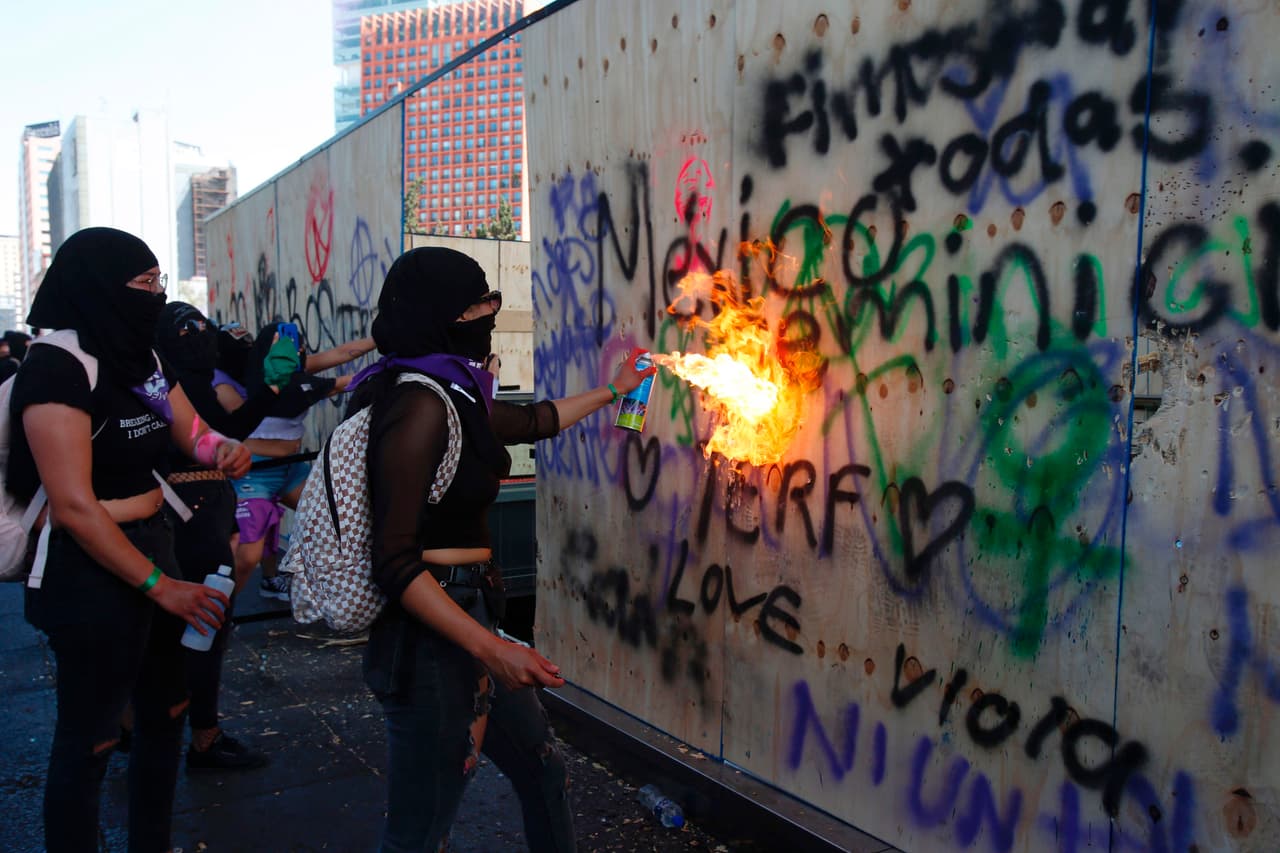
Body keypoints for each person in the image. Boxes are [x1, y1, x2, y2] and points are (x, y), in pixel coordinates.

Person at [352, 246, 654, 852]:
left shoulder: (454, 391)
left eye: (491, 298)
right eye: (477, 304)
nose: (492, 310)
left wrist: (615, 391)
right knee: (422, 827)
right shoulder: (416, 403)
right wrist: (492, 648)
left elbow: (534, 421)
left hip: (472, 614)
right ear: (440, 315)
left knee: (543, 772)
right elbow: (394, 560)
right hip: (432, 636)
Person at [8, 227, 252, 852]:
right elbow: (74, 507)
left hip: (155, 541)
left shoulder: (142, 354)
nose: (157, 295)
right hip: (88, 571)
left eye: (159, 282)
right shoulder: (56, 367)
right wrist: (159, 586)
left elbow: (188, 428)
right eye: (145, 284)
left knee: (166, 714)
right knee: (91, 739)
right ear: (98, 288)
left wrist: (219, 447)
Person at [155, 302, 298, 771]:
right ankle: (195, 736)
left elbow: (227, 431)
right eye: (186, 330)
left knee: (203, 625)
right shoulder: (153, 381)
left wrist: (272, 385)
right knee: (196, 625)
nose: (198, 335)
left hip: (210, 512)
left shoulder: (183, 380)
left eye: (202, 327)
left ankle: (185, 730)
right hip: (182, 519)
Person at [230, 324, 374, 600]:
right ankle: (218, 614)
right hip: (254, 472)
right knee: (248, 556)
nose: (289, 350)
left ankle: (280, 582)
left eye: (293, 344)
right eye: (278, 344)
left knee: (332, 515)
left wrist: (383, 337)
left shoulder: (294, 368)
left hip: (289, 470)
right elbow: (343, 383)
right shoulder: (255, 377)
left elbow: (343, 353)